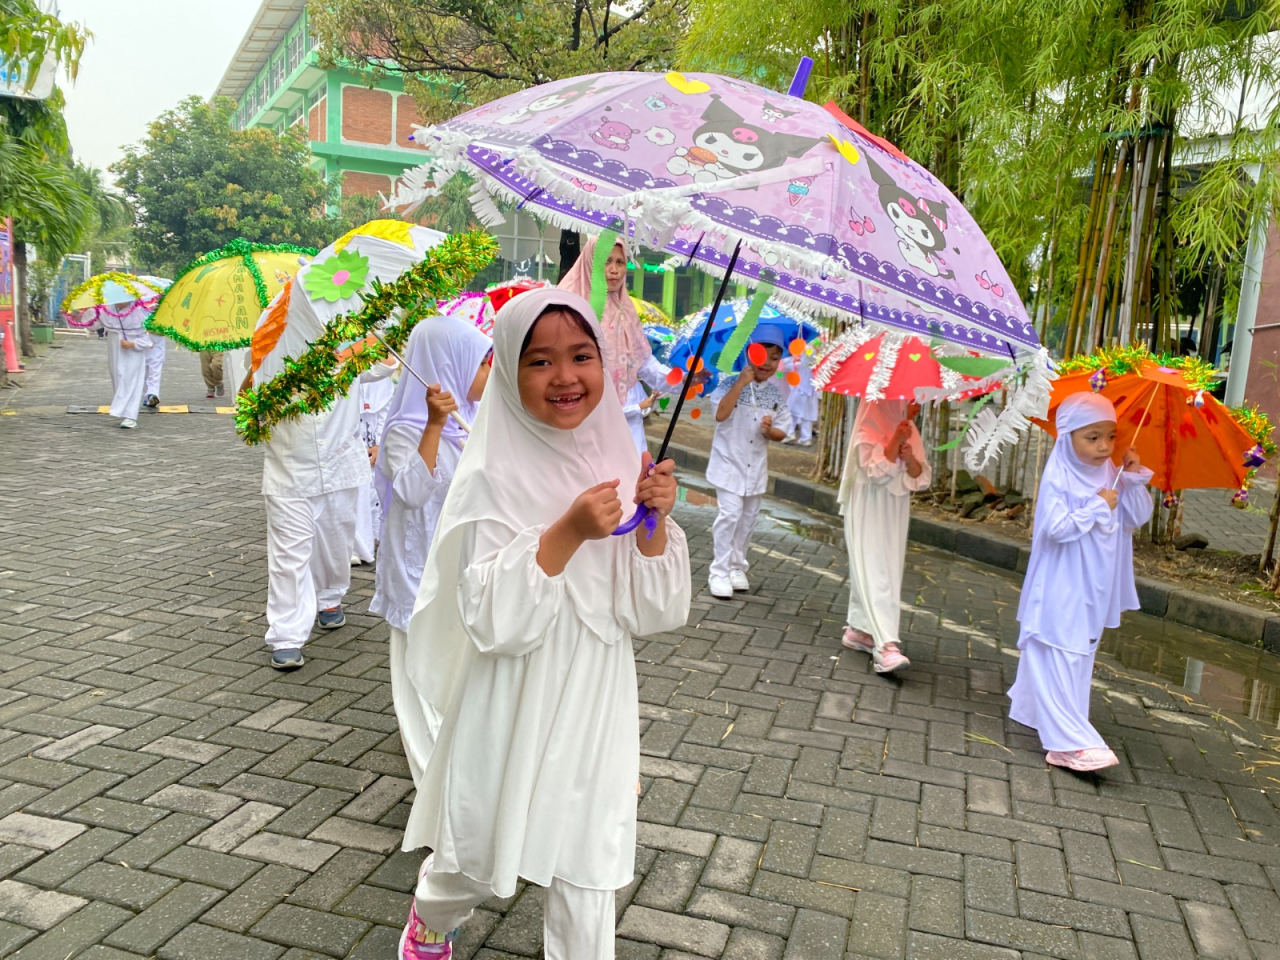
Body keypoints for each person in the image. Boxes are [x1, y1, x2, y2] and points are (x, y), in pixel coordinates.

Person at [395, 288, 690, 960]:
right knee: (474, 849)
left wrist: (654, 522)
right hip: (513, 688)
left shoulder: (621, 460)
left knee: (589, 861)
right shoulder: (491, 475)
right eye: (540, 361)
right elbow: (495, 623)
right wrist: (567, 532)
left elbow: (649, 610)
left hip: (595, 690)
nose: (565, 377)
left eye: (581, 355)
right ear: (505, 369)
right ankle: (433, 915)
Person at [370, 314, 491, 786]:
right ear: (450, 366)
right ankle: (433, 786)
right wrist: (434, 426)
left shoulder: (476, 421)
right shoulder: (406, 429)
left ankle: (455, 763)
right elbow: (413, 492)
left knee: (453, 666)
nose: (488, 374)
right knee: (418, 673)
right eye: (482, 365)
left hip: (460, 565)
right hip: (418, 568)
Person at [1008, 392, 1152, 772]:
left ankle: (1032, 709)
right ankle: (1068, 742)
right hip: (1063, 579)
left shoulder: (1110, 472)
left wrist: (1133, 478)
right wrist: (1096, 505)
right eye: (1092, 437)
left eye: (1110, 436)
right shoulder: (1060, 475)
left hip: (1095, 581)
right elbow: (1054, 529)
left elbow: (1134, 518)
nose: (1104, 446)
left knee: (1079, 650)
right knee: (1061, 647)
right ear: (1068, 435)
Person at [255, 364, 369, 670]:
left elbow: (384, 366)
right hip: (288, 468)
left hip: (340, 464)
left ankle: (330, 596)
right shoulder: (270, 337)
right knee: (288, 556)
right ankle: (286, 636)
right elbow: (247, 405)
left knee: (335, 543)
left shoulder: (349, 333)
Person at [839, 400, 932, 673]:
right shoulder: (868, 426)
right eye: (906, 400)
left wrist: (909, 455)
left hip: (895, 507)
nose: (914, 403)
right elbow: (874, 472)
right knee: (875, 569)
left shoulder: (908, 427)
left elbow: (920, 476)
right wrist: (895, 442)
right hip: (869, 504)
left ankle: (860, 631)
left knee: (887, 568)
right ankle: (885, 645)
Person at [705, 326, 793, 599]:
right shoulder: (728, 384)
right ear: (747, 352)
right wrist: (740, 383)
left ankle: (736, 565)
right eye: (761, 355)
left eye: (775, 358)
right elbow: (720, 414)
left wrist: (770, 432)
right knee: (729, 515)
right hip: (728, 463)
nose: (767, 363)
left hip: (755, 469)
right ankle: (718, 571)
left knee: (748, 519)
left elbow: (783, 430)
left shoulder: (775, 395)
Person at [558, 236, 674, 403]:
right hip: (579, 407)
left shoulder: (624, 308)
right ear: (592, 262)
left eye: (620, 262)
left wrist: (680, 380)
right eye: (607, 261)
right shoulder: (568, 304)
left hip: (623, 410)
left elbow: (642, 361)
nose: (614, 270)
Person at [353, 358, 399, 566]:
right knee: (357, 488)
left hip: (375, 434)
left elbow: (386, 408)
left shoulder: (382, 380)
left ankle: (376, 534)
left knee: (376, 484)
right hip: (351, 433)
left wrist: (380, 442)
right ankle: (357, 543)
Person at [104, 304, 154, 430]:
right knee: (119, 379)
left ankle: (131, 416)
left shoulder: (137, 314)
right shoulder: (108, 309)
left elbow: (147, 341)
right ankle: (124, 411)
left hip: (132, 354)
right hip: (115, 351)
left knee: (130, 381)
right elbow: (94, 324)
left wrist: (132, 344)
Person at [782, 352, 818, 446]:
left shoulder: (803, 358)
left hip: (800, 389)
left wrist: (793, 359)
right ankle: (806, 438)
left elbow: (786, 364)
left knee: (791, 411)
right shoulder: (817, 357)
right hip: (811, 391)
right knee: (806, 414)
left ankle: (790, 433)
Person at [622, 380, 654, 455]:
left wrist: (653, 398)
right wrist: (638, 407)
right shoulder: (610, 385)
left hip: (638, 435)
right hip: (619, 436)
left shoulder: (636, 384)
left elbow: (645, 410)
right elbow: (612, 412)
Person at [142, 335, 166, 409]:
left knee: (153, 370)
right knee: (146, 372)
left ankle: (151, 394)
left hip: (155, 338)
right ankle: (148, 395)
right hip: (143, 338)